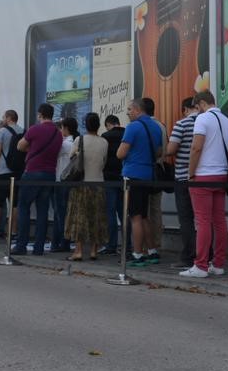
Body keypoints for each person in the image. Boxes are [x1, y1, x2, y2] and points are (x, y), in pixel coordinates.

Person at [180, 91, 228, 278]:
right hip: (221, 175)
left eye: (197, 108)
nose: (196, 112)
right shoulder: (227, 121)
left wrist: (191, 173)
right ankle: (218, 264)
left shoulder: (202, 119)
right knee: (219, 221)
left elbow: (196, 147)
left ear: (201, 104)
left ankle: (201, 265)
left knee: (202, 221)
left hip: (203, 175)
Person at [12, 103, 64, 255]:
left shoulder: (35, 129)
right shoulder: (58, 133)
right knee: (43, 210)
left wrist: (32, 148)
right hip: (50, 174)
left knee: (23, 207)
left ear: (40, 114)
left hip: (33, 172)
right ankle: (39, 247)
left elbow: (20, 146)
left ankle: (21, 245)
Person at [117, 99, 162, 267]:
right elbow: (159, 152)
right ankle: (152, 251)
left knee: (135, 216)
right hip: (148, 175)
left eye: (129, 109)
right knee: (144, 216)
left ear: (137, 110)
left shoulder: (133, 127)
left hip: (133, 175)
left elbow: (120, 154)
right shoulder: (156, 127)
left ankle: (137, 254)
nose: (127, 112)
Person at [63, 112, 109, 260]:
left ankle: (78, 250)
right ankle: (94, 250)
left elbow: (72, 158)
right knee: (96, 217)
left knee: (79, 217)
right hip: (98, 183)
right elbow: (104, 162)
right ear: (98, 125)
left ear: (85, 125)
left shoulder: (79, 139)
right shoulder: (104, 142)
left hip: (81, 183)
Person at [167, 97, 198, 269]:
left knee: (186, 219)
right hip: (201, 178)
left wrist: (164, 152)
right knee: (203, 219)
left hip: (182, 177)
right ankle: (205, 255)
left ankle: (188, 256)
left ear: (185, 109)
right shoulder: (206, 122)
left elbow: (171, 150)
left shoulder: (182, 124)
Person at [0, 110, 23, 243]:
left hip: (2, 172)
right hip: (17, 172)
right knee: (14, 204)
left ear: (9, 118)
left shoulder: (2, 131)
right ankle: (13, 233)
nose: (3, 119)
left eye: (4, 116)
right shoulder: (23, 131)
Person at [142, 97, 168, 254]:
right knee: (156, 209)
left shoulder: (142, 125)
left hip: (145, 171)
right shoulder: (162, 126)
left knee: (143, 211)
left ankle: (145, 246)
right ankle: (156, 244)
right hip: (159, 169)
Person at [98, 115, 126, 254]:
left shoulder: (105, 136)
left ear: (108, 124)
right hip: (123, 177)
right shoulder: (126, 133)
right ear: (118, 123)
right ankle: (128, 244)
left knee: (110, 212)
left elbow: (102, 158)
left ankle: (111, 245)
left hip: (108, 177)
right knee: (123, 212)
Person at [51, 117, 79, 253]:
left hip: (61, 180)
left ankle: (63, 242)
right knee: (60, 212)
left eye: (61, 128)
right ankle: (57, 242)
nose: (59, 130)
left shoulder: (66, 144)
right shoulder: (71, 142)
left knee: (61, 213)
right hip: (64, 181)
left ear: (66, 128)